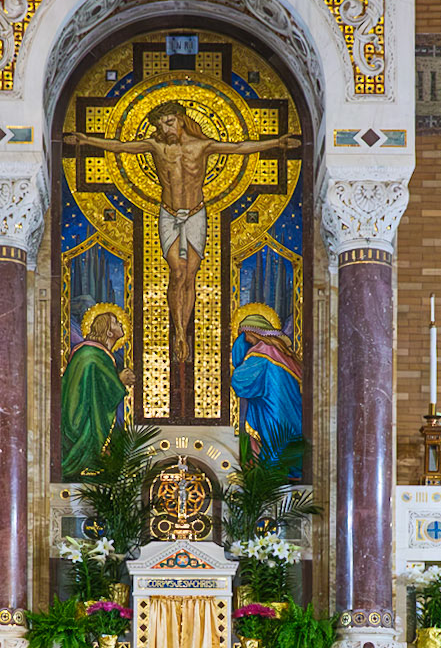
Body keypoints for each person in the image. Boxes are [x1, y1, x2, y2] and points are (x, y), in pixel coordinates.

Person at [62, 102, 299, 359]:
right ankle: (177, 330)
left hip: (196, 213)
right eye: (161, 124)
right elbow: (120, 146)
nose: (165, 128)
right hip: (169, 214)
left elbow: (240, 148)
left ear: (181, 120)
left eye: (170, 121)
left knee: (190, 274)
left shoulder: (202, 146)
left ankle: (185, 330)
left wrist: (277, 143)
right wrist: (86, 140)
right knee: (177, 271)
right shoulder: (157, 147)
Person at [59, 305, 133, 476]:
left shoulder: (99, 354)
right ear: (108, 332)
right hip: (79, 421)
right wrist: (119, 380)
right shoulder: (90, 354)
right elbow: (91, 389)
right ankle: (88, 460)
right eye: (116, 322)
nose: (121, 325)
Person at [230, 308, 303, 471]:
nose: (246, 339)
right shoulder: (282, 353)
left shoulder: (261, 354)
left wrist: (238, 350)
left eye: (246, 334)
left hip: (274, 409)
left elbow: (240, 382)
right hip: (292, 410)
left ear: (255, 332)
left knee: (275, 445)